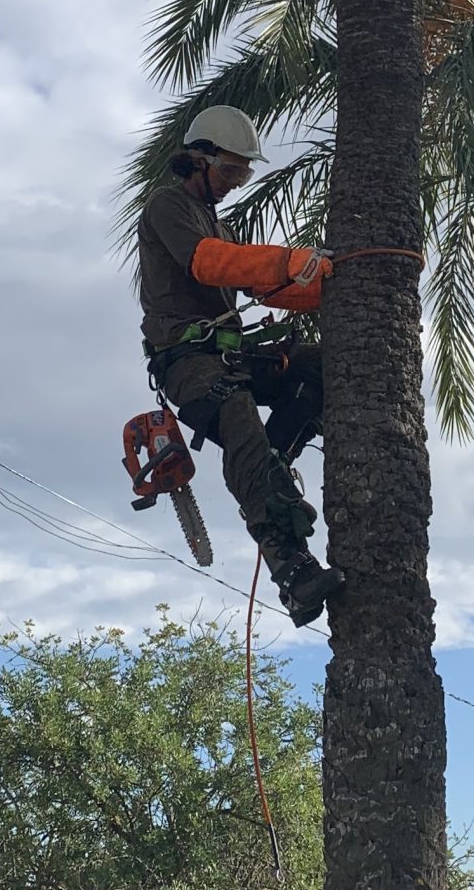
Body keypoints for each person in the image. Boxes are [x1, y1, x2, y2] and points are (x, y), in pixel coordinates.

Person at [137, 105, 338, 624]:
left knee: (315, 365)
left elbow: (264, 287)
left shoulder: (218, 223)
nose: (234, 183)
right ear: (196, 161)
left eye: (243, 174)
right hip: (188, 361)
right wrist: (287, 260)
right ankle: (291, 569)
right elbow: (209, 264)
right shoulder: (168, 206)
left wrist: (331, 286)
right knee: (236, 408)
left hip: (231, 355)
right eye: (229, 171)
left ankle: (267, 466)